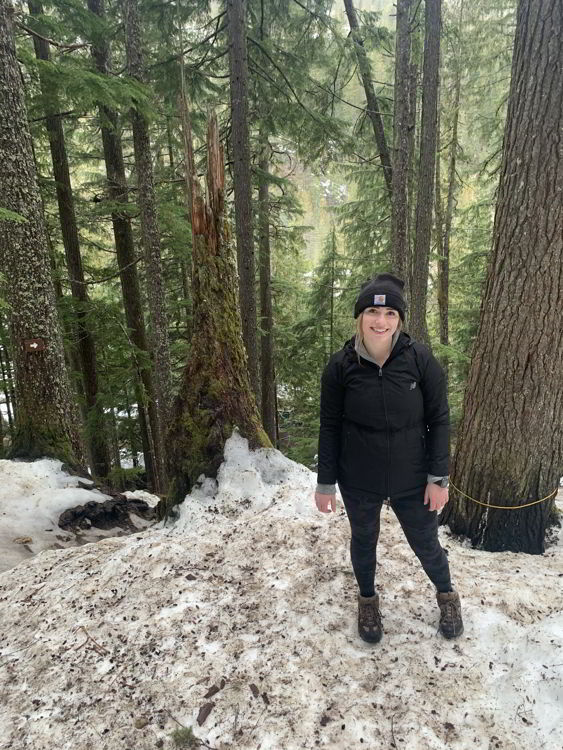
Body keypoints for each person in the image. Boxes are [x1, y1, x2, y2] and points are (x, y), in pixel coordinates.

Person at [314, 273, 463, 644]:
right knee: (363, 540)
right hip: (358, 477)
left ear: (400, 319)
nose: (381, 321)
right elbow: (330, 425)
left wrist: (438, 477)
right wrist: (325, 482)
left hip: (412, 477)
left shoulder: (420, 360)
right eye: (373, 311)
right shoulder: (340, 367)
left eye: (390, 314)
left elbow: (439, 419)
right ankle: (367, 600)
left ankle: (447, 595)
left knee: (426, 543)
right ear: (360, 317)